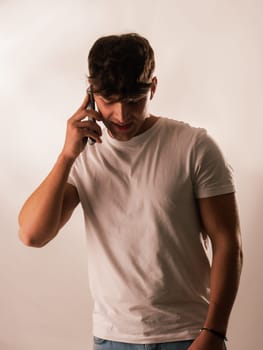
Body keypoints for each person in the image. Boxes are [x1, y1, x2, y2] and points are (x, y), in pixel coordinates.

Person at [18, 33, 243, 350]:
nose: (122, 115)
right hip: (113, 339)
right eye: (109, 101)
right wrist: (67, 156)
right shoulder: (83, 155)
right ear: (92, 94)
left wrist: (215, 332)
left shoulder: (194, 146)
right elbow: (32, 235)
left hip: (189, 335)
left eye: (135, 101)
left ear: (152, 87)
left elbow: (227, 241)